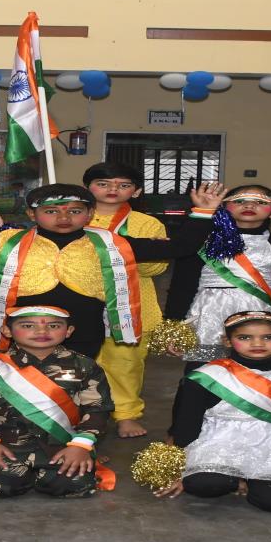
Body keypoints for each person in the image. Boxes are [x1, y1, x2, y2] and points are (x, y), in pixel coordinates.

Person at [0, 174, 219, 360]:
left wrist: (203, 213)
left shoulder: (112, 243)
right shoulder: (3, 240)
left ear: (89, 214)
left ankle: (77, 444)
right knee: (22, 389)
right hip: (21, 333)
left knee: (80, 389)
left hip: (84, 333)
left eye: (75, 211)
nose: (64, 217)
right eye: (52, 211)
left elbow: (180, 247)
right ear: (32, 214)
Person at [157, 311, 271, 513]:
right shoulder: (207, 376)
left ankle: (255, 482)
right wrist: (178, 468)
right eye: (244, 337)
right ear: (227, 341)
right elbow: (188, 423)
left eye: (269, 337)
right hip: (219, 443)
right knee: (203, 485)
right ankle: (236, 480)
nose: (257, 343)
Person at [0, 306, 114, 498]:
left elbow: (98, 408)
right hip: (7, 446)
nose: (42, 331)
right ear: (7, 330)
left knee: (74, 487)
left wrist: (81, 445)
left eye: (54, 326)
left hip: (64, 446)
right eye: (28, 325)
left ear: (69, 331)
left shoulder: (85, 366)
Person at [82, 162, 173, 439]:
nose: (113, 189)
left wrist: (137, 253)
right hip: (82, 302)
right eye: (103, 184)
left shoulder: (147, 224)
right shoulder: (74, 218)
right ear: (87, 188)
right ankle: (78, 413)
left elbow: (156, 267)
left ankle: (126, 415)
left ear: (136, 191)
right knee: (77, 361)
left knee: (125, 364)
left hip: (131, 306)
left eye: (123, 185)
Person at [165, 185, 271, 364]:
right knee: (203, 370)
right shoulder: (199, 241)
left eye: (260, 202)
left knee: (260, 370)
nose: (249, 206)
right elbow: (183, 285)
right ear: (223, 207)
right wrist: (174, 324)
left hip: (262, 314)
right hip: (207, 313)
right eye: (239, 201)